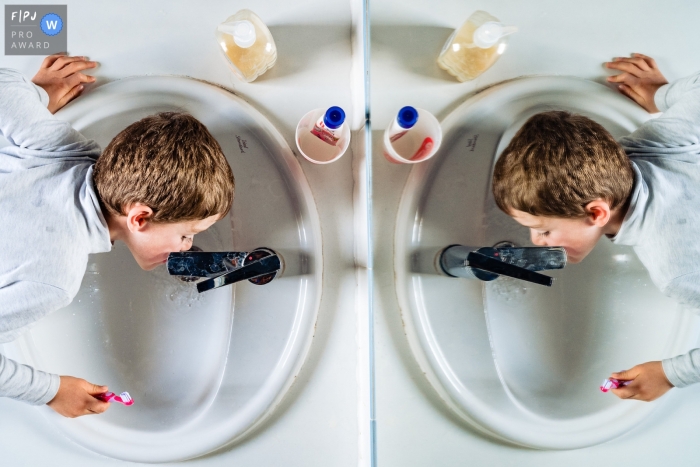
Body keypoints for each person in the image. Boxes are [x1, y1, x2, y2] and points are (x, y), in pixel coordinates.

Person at [0, 54, 235, 417]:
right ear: (139, 217)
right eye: (187, 234)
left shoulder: (62, 148)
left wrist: (39, 94)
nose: (187, 246)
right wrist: (51, 391)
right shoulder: (54, 277)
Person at [492, 53, 700, 402]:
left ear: (597, 213)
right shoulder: (647, 146)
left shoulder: (677, 270)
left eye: (543, 230)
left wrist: (670, 373)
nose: (535, 241)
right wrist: (660, 94)